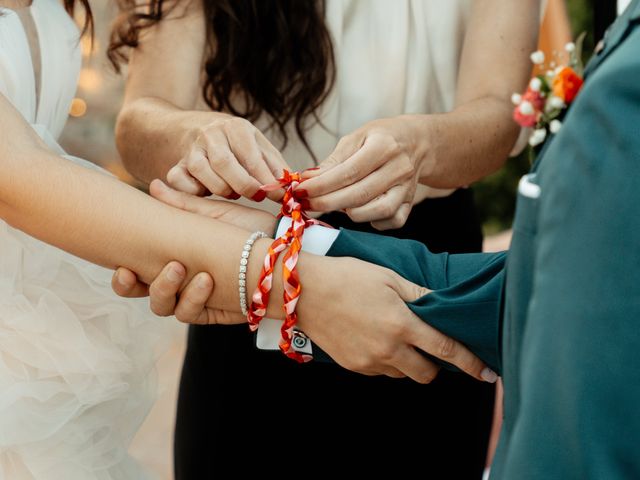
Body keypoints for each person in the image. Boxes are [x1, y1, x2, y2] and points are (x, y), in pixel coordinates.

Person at [135, 1, 640, 477]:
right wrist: (193, 136)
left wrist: (421, 146)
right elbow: (139, 115)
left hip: (426, 264)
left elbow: (497, 112)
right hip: (251, 260)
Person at [0, 0, 490, 477]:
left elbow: (499, 112)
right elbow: (21, 178)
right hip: (243, 240)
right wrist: (295, 280)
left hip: (406, 250)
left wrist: (425, 145)